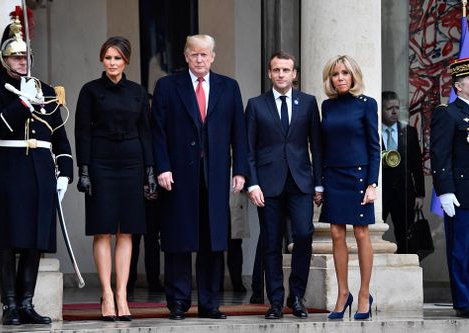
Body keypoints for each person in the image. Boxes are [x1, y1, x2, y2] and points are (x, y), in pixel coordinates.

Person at [0, 9, 73, 325]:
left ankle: (27, 303)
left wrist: (65, 172)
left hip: (41, 171)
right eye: (15, 58)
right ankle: (9, 306)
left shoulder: (47, 89)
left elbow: (59, 137)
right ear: (4, 59)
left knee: (34, 239)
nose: (22, 63)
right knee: (7, 240)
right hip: (9, 170)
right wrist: (22, 103)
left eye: (25, 57)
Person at [151, 34, 248, 320]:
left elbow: (238, 133)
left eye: (205, 54)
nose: (200, 59)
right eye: (195, 54)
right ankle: (178, 303)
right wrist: (162, 167)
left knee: (213, 241)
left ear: (213, 56)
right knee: (179, 241)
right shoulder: (168, 86)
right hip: (178, 176)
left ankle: (209, 303)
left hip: (216, 177)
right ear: (186, 56)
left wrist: (240, 169)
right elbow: (157, 132)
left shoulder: (229, 87)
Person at [75, 36, 156, 321]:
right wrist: (83, 170)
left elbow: (146, 133)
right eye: (108, 57)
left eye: (117, 58)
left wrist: (149, 171)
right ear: (102, 59)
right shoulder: (90, 91)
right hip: (101, 162)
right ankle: (106, 294)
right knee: (103, 229)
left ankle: (122, 294)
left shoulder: (137, 92)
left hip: (132, 163)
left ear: (126, 61)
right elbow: (82, 132)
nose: (112, 62)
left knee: (127, 231)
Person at [246, 51, 323, 319]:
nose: (281, 75)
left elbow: (317, 146)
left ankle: (297, 296)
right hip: (267, 185)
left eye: (286, 70)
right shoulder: (255, 105)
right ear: (269, 73)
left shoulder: (309, 103)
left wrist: (319, 184)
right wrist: (252, 184)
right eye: (276, 70)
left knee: (303, 235)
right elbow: (248, 149)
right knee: (271, 242)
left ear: (294, 74)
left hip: (301, 182)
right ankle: (276, 302)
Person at [319, 55, 380, 320]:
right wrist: (319, 183)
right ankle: (343, 294)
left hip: (358, 176)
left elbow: (374, 146)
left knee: (362, 233)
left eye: (345, 73)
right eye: (335, 74)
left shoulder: (367, 104)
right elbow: (321, 147)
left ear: (353, 76)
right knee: (335, 234)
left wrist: (372, 183)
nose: (340, 78)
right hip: (333, 175)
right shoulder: (327, 106)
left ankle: (364, 293)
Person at [430, 57, 469, 318]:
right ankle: (465, 301)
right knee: (461, 251)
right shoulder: (448, 113)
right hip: (461, 194)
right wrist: (445, 191)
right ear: (459, 86)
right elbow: (440, 154)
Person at [127, 93, 164, 294]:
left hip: (155, 194)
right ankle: (128, 280)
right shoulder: (135, 132)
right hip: (134, 192)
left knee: (152, 240)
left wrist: (154, 187)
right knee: (131, 239)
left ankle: (154, 280)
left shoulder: (159, 133)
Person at [381, 91, 425, 254]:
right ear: (381, 109)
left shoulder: (409, 131)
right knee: (372, 233)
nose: (394, 112)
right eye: (389, 108)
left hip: (404, 192)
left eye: (397, 108)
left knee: (405, 235)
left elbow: (417, 165)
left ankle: (406, 272)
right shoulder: (373, 132)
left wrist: (420, 194)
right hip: (380, 192)